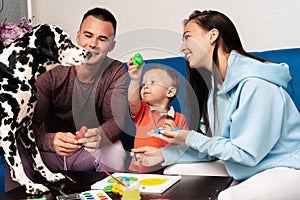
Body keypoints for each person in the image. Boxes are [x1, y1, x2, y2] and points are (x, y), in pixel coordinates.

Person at [131, 10, 300, 199]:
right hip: (250, 166)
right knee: (174, 170)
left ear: (213, 35)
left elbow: (245, 154)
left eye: (187, 37)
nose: (182, 48)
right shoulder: (216, 90)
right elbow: (212, 147)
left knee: (229, 198)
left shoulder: (257, 85)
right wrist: (163, 155)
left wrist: (189, 137)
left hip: (287, 166)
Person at [5, 7, 127, 191]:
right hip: (46, 153)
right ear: (77, 37)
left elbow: (116, 121)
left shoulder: (116, 71)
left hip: (87, 152)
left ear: (112, 45)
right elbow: (28, 124)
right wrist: (49, 140)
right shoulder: (50, 69)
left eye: (102, 39)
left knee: (115, 150)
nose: (93, 44)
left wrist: (99, 135)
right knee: (18, 150)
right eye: (88, 35)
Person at [127, 63, 188, 173]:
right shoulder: (143, 110)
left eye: (153, 82)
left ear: (170, 92)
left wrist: (176, 134)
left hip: (168, 170)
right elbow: (132, 101)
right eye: (144, 83)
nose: (145, 86)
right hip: (139, 169)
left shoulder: (179, 119)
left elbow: (184, 148)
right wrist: (135, 80)